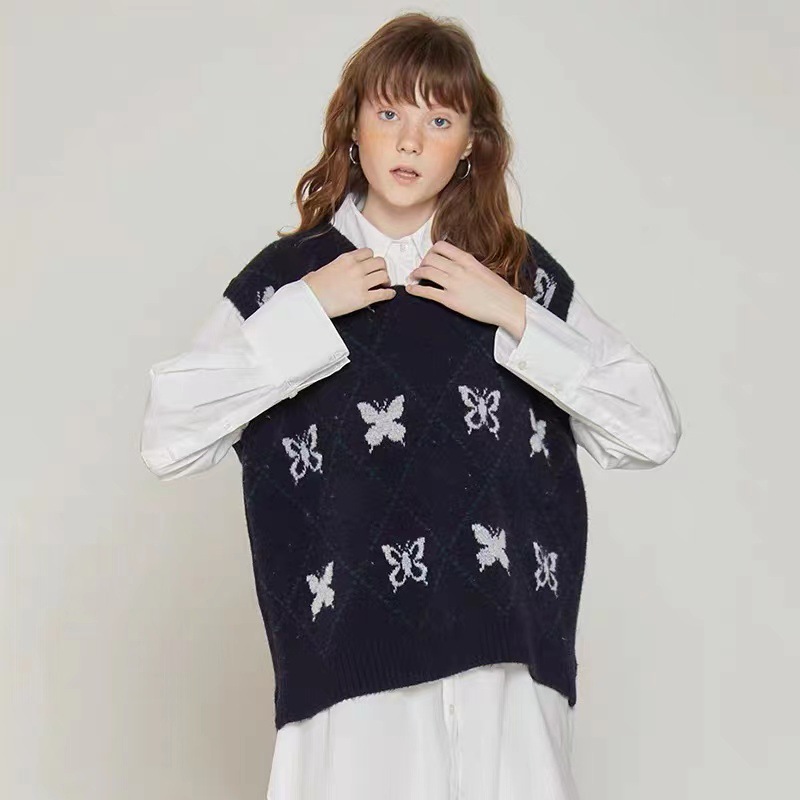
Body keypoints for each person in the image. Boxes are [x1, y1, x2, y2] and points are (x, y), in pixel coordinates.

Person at [140, 12, 681, 800]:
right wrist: (306, 312)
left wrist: (513, 313)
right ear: (352, 124)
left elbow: (649, 429)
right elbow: (168, 436)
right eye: (390, 111)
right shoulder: (290, 278)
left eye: (439, 120)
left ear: (470, 145)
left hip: (506, 673)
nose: (410, 141)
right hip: (350, 683)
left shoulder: (512, 271)